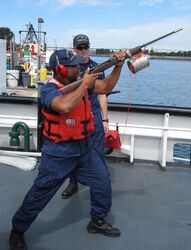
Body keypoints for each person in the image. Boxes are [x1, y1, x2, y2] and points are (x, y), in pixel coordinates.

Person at [9, 48, 126, 250]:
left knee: (102, 181)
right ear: (60, 69)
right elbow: (63, 106)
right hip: (58, 153)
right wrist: (84, 85)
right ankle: (17, 231)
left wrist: (118, 65)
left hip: (84, 148)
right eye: (73, 66)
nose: (79, 68)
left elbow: (106, 86)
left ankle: (97, 220)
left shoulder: (82, 83)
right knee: (39, 194)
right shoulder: (48, 89)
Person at [61, 34, 109, 199]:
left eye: (85, 47)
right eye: (79, 48)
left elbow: (103, 94)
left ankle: (100, 188)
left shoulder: (98, 68)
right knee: (73, 151)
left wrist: (104, 119)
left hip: (93, 113)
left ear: (89, 48)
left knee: (98, 153)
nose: (83, 51)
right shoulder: (69, 69)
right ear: (74, 49)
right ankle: (73, 183)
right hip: (75, 113)